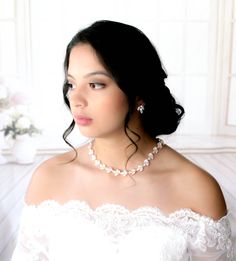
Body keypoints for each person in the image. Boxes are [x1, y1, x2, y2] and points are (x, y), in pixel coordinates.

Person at [11, 20, 233, 260]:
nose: (76, 98)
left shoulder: (198, 189)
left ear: (139, 93)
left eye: (96, 84)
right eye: (71, 84)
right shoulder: (49, 178)